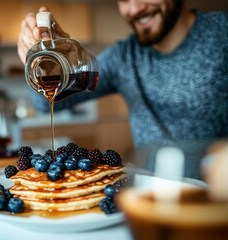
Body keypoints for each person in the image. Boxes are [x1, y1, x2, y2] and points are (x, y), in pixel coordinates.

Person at [17, 1, 228, 179]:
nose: (135, 8)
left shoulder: (222, 33)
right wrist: (54, 58)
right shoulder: (123, 58)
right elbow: (46, 104)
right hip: (149, 201)